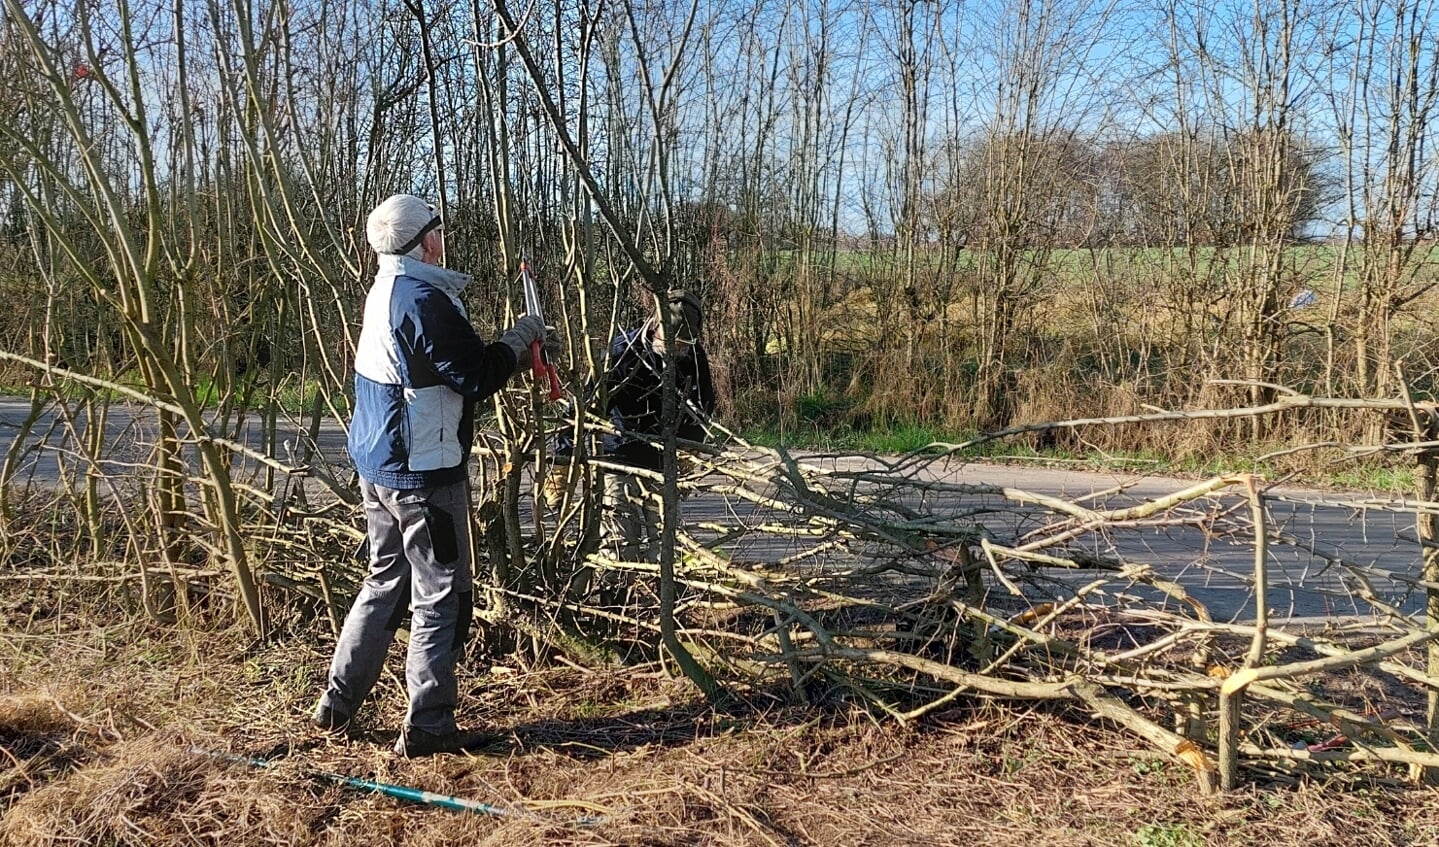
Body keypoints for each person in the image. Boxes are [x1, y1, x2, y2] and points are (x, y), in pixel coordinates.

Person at [313, 194, 547, 757]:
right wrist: (521, 340)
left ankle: (338, 702)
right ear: (425, 240)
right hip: (423, 472)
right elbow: (474, 374)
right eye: (438, 230)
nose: (444, 237)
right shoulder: (422, 299)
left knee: (383, 581)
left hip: (379, 465)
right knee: (438, 593)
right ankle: (429, 725)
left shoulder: (385, 288)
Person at [595, 290, 716, 564]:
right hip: (619, 456)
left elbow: (702, 405)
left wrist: (689, 451)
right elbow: (593, 399)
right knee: (617, 536)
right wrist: (567, 451)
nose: (678, 349)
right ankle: (613, 593)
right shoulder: (623, 350)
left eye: (684, 344)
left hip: (663, 461)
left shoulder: (695, 357)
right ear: (655, 326)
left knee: (664, 539)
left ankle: (665, 594)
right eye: (672, 341)